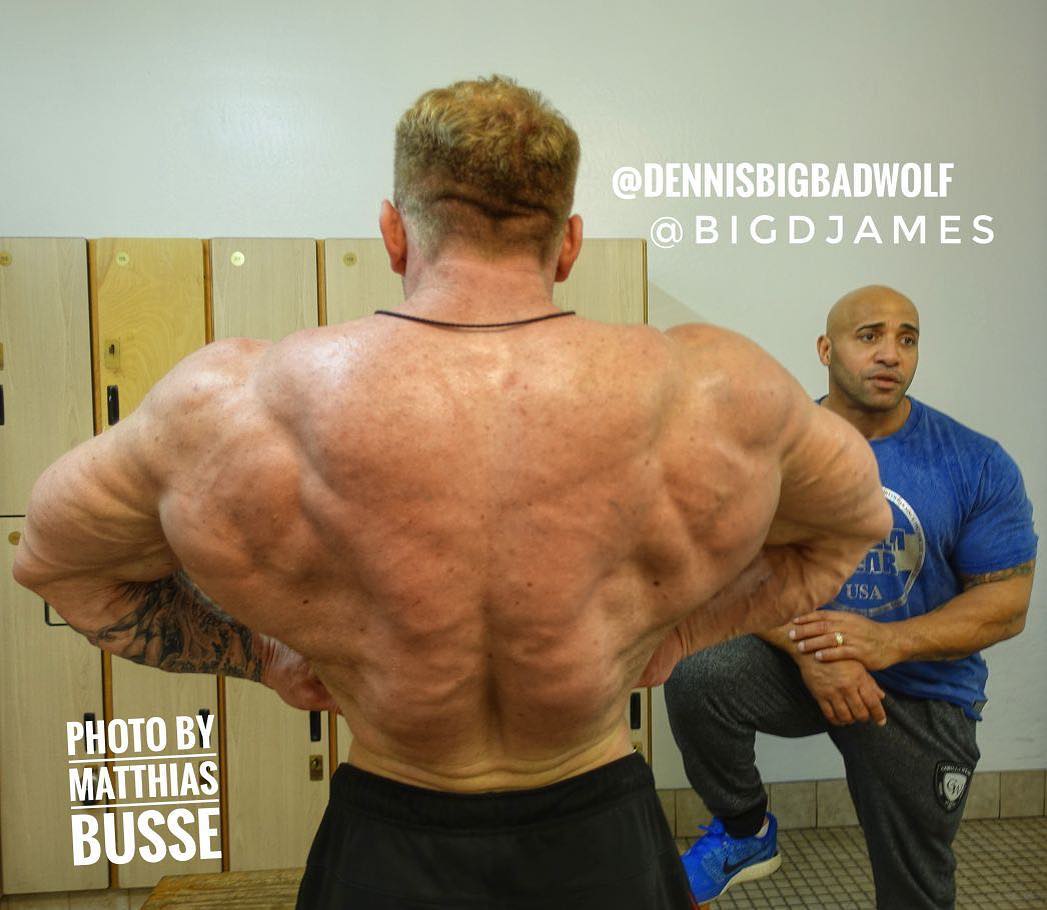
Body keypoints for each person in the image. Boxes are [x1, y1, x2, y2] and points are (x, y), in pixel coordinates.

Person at [11, 77, 889, 910]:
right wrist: (684, 635)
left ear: (393, 233)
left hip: (389, 835)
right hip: (601, 831)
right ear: (569, 243)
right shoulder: (718, 392)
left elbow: (57, 566)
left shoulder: (230, 408)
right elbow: (854, 525)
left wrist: (262, 657)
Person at [665, 285, 1038, 908]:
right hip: (798, 667)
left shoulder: (974, 462)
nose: (891, 353)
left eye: (907, 338)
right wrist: (816, 650)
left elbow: (1007, 602)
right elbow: (722, 574)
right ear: (825, 349)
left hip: (920, 689)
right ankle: (745, 829)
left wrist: (888, 643)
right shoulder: (766, 450)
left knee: (916, 889)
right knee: (698, 671)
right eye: (869, 336)